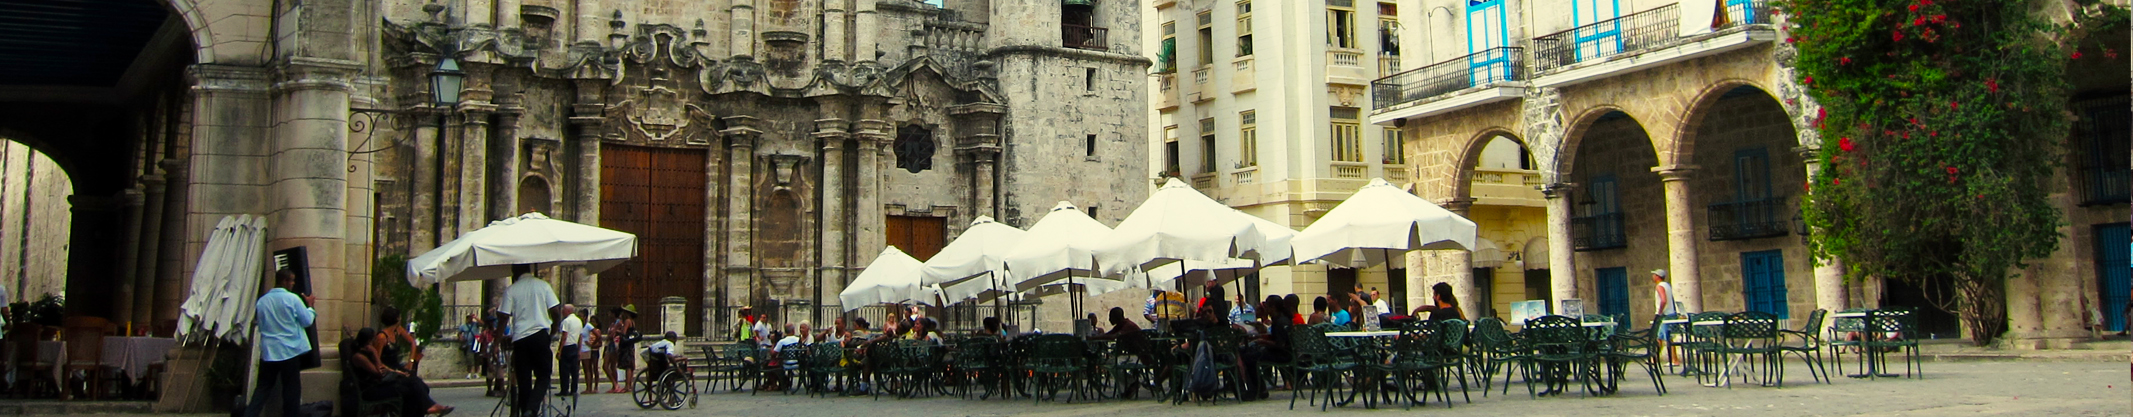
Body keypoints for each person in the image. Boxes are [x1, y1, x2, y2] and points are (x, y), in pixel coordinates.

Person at [243, 269, 315, 417]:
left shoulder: (262, 301)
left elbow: (261, 326)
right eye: (292, 280)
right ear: (284, 281)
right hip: (290, 349)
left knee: (263, 387)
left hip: (269, 350)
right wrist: (310, 307)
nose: (293, 284)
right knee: (291, 389)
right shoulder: (293, 298)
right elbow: (306, 321)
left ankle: (249, 414)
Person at [496, 264, 561, 417]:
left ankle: (525, 411)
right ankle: (531, 409)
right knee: (544, 374)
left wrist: (496, 342)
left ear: (514, 272)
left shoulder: (511, 289)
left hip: (520, 338)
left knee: (523, 379)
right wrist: (554, 329)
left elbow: (504, 316)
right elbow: (556, 310)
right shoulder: (543, 285)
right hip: (540, 335)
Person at [350, 327, 454, 416]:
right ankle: (429, 407)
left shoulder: (367, 353)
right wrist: (375, 354)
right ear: (369, 341)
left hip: (381, 385)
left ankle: (429, 407)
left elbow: (383, 368)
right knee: (412, 388)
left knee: (416, 383)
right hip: (371, 390)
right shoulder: (359, 357)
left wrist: (398, 373)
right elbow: (379, 372)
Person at [1088, 307, 1153, 398]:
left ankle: (1132, 383)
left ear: (1117, 317)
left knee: (1112, 364)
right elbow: (1109, 334)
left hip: (1140, 356)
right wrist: (1094, 338)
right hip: (1130, 355)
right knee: (1112, 363)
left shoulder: (1128, 326)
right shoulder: (1121, 325)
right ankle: (1127, 388)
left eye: (1111, 317)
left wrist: (1093, 338)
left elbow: (1113, 336)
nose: (1109, 319)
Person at [605, 304, 639, 393]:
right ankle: (629, 385)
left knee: (627, 365)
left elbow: (624, 332)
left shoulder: (627, 321)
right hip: (630, 344)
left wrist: (617, 331)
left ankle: (627, 386)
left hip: (626, 344)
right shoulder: (632, 321)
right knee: (630, 365)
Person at [555, 304, 585, 397]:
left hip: (567, 347)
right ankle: (574, 389)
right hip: (574, 346)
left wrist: (559, 350)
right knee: (574, 370)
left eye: (563, 310)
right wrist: (579, 350)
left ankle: (564, 389)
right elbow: (580, 336)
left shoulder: (566, 321)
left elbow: (564, 336)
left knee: (564, 370)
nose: (562, 312)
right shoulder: (579, 321)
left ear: (568, 311)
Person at [1652, 269, 1679, 365]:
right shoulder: (1667, 285)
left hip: (1665, 315)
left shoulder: (1659, 286)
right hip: (1671, 313)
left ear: (1657, 276)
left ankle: (1674, 359)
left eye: (1654, 275)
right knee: (1662, 337)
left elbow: (1663, 300)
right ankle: (1654, 358)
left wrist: (1659, 312)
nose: (1653, 277)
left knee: (1664, 337)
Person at [579, 312, 603, 395]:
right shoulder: (580, 326)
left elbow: (598, 337)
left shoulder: (588, 326)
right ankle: (589, 387)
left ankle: (590, 388)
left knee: (589, 369)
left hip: (588, 349)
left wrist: (592, 345)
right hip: (582, 349)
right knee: (587, 369)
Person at [459, 314, 484, 379]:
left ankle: (476, 373)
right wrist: (461, 337)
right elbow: (459, 333)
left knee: (477, 359)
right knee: (469, 359)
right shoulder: (463, 326)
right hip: (468, 344)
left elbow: (482, 324)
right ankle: (469, 373)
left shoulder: (475, 324)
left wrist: (476, 318)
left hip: (476, 343)